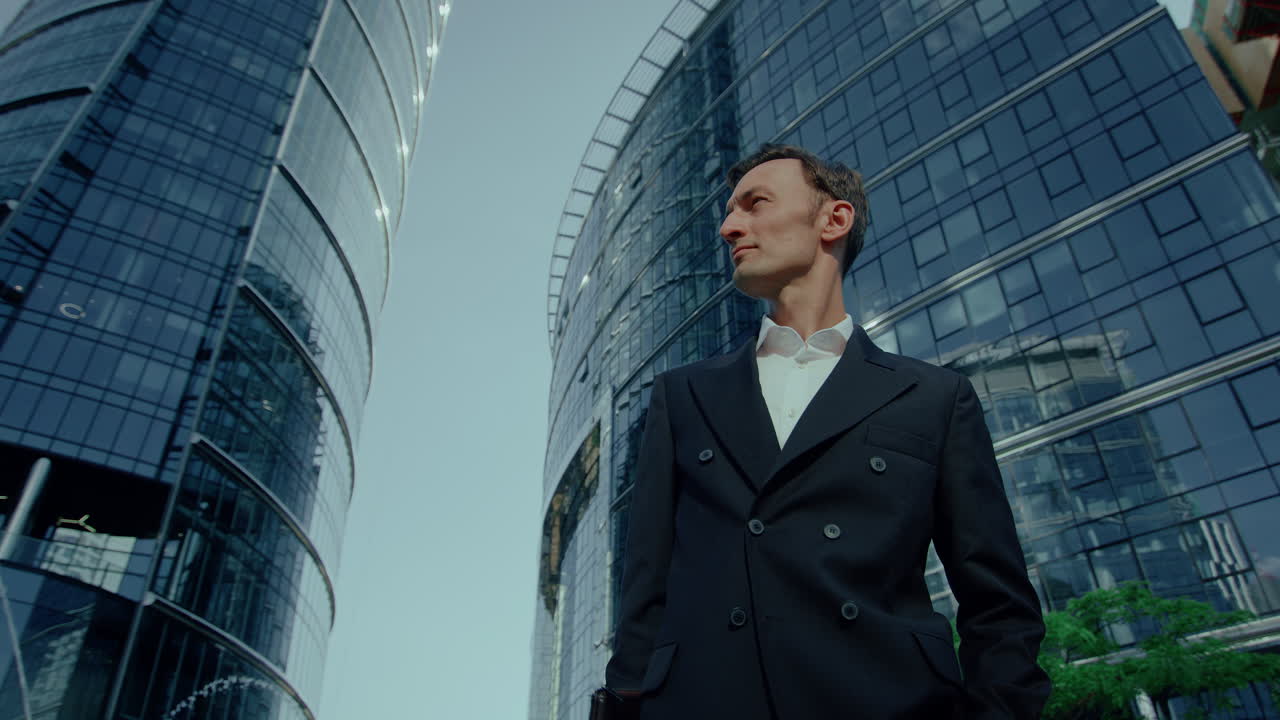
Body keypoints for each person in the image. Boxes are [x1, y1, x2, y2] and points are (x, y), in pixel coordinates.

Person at [598, 145, 1051, 720]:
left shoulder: (934, 397)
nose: (728, 226)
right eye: (730, 211)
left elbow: (1000, 607)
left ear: (833, 220)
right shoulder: (680, 395)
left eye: (754, 204)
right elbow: (643, 597)